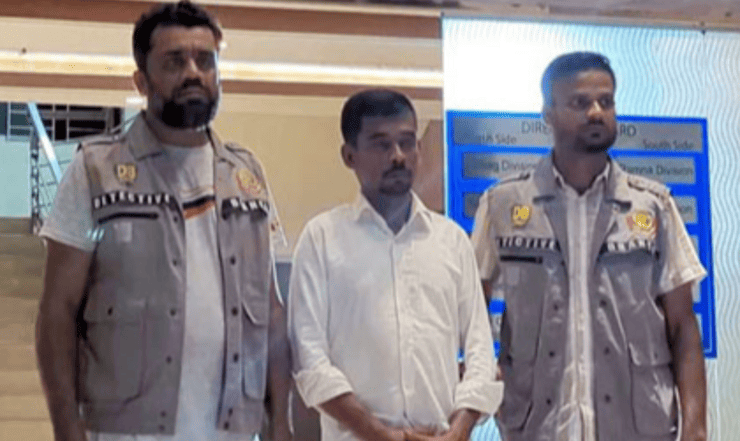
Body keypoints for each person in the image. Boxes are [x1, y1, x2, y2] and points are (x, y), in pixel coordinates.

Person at [35, 2, 291, 440]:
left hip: (232, 429)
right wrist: (66, 426)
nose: (193, 73)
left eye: (205, 61)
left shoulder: (245, 176)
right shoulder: (96, 171)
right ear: (141, 81)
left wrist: (281, 422)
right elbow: (58, 310)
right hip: (126, 430)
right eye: (174, 62)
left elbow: (270, 313)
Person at [471, 52, 707, 441]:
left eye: (606, 101)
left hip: (638, 428)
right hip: (536, 426)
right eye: (580, 102)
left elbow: (683, 326)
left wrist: (695, 429)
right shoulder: (502, 205)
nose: (596, 112)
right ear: (548, 113)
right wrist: (481, 382)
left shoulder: (653, 205)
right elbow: (471, 312)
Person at [288, 89, 502, 441]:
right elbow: (308, 358)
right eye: (381, 144)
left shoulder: (451, 241)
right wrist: (380, 434)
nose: (398, 156)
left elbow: (481, 352)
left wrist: (459, 430)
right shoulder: (322, 239)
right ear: (349, 155)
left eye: (407, 142)